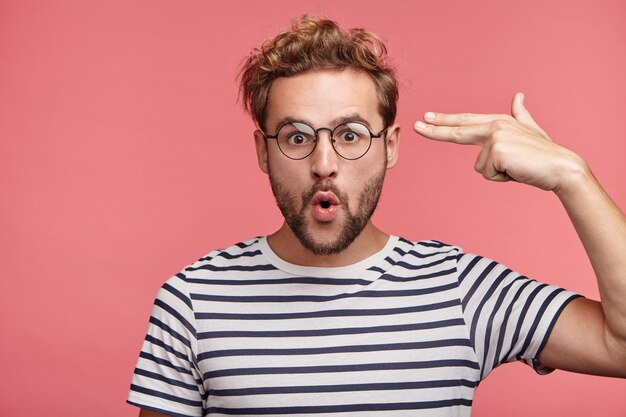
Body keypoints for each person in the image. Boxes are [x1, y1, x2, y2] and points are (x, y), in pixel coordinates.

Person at [127, 16, 626, 417]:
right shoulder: (193, 299)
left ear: (389, 147)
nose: (324, 165)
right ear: (263, 151)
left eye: (350, 135)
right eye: (297, 137)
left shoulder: (460, 288)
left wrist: (573, 178)